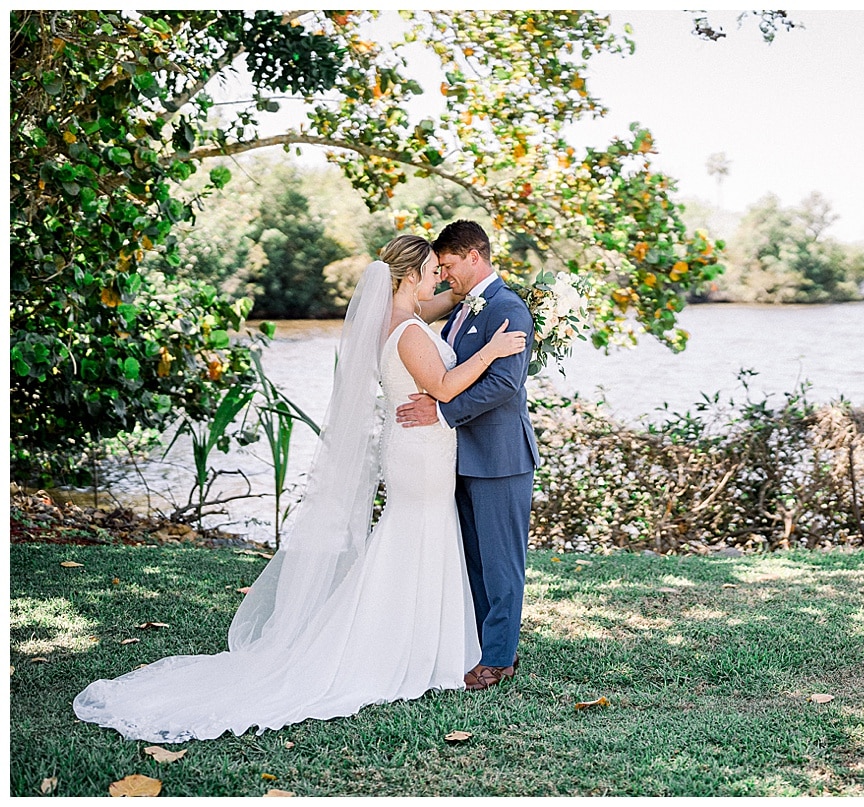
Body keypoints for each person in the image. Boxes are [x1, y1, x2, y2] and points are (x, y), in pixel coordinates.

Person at [72, 235, 526, 742]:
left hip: (416, 449)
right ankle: (408, 648)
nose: (440, 279)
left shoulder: (390, 320)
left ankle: (424, 641)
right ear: (410, 276)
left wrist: (489, 294)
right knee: (417, 537)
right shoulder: (411, 332)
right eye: (432, 271)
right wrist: (491, 350)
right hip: (421, 453)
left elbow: (450, 301)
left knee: (416, 540)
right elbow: (442, 388)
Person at [395, 220, 539, 692]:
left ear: (475, 256)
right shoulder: (461, 309)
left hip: (500, 456)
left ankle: (499, 660)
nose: (445, 273)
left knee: (502, 565)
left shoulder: (508, 309)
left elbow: (504, 384)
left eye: (450, 265)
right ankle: (478, 646)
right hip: (459, 456)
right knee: (474, 560)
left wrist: (440, 409)